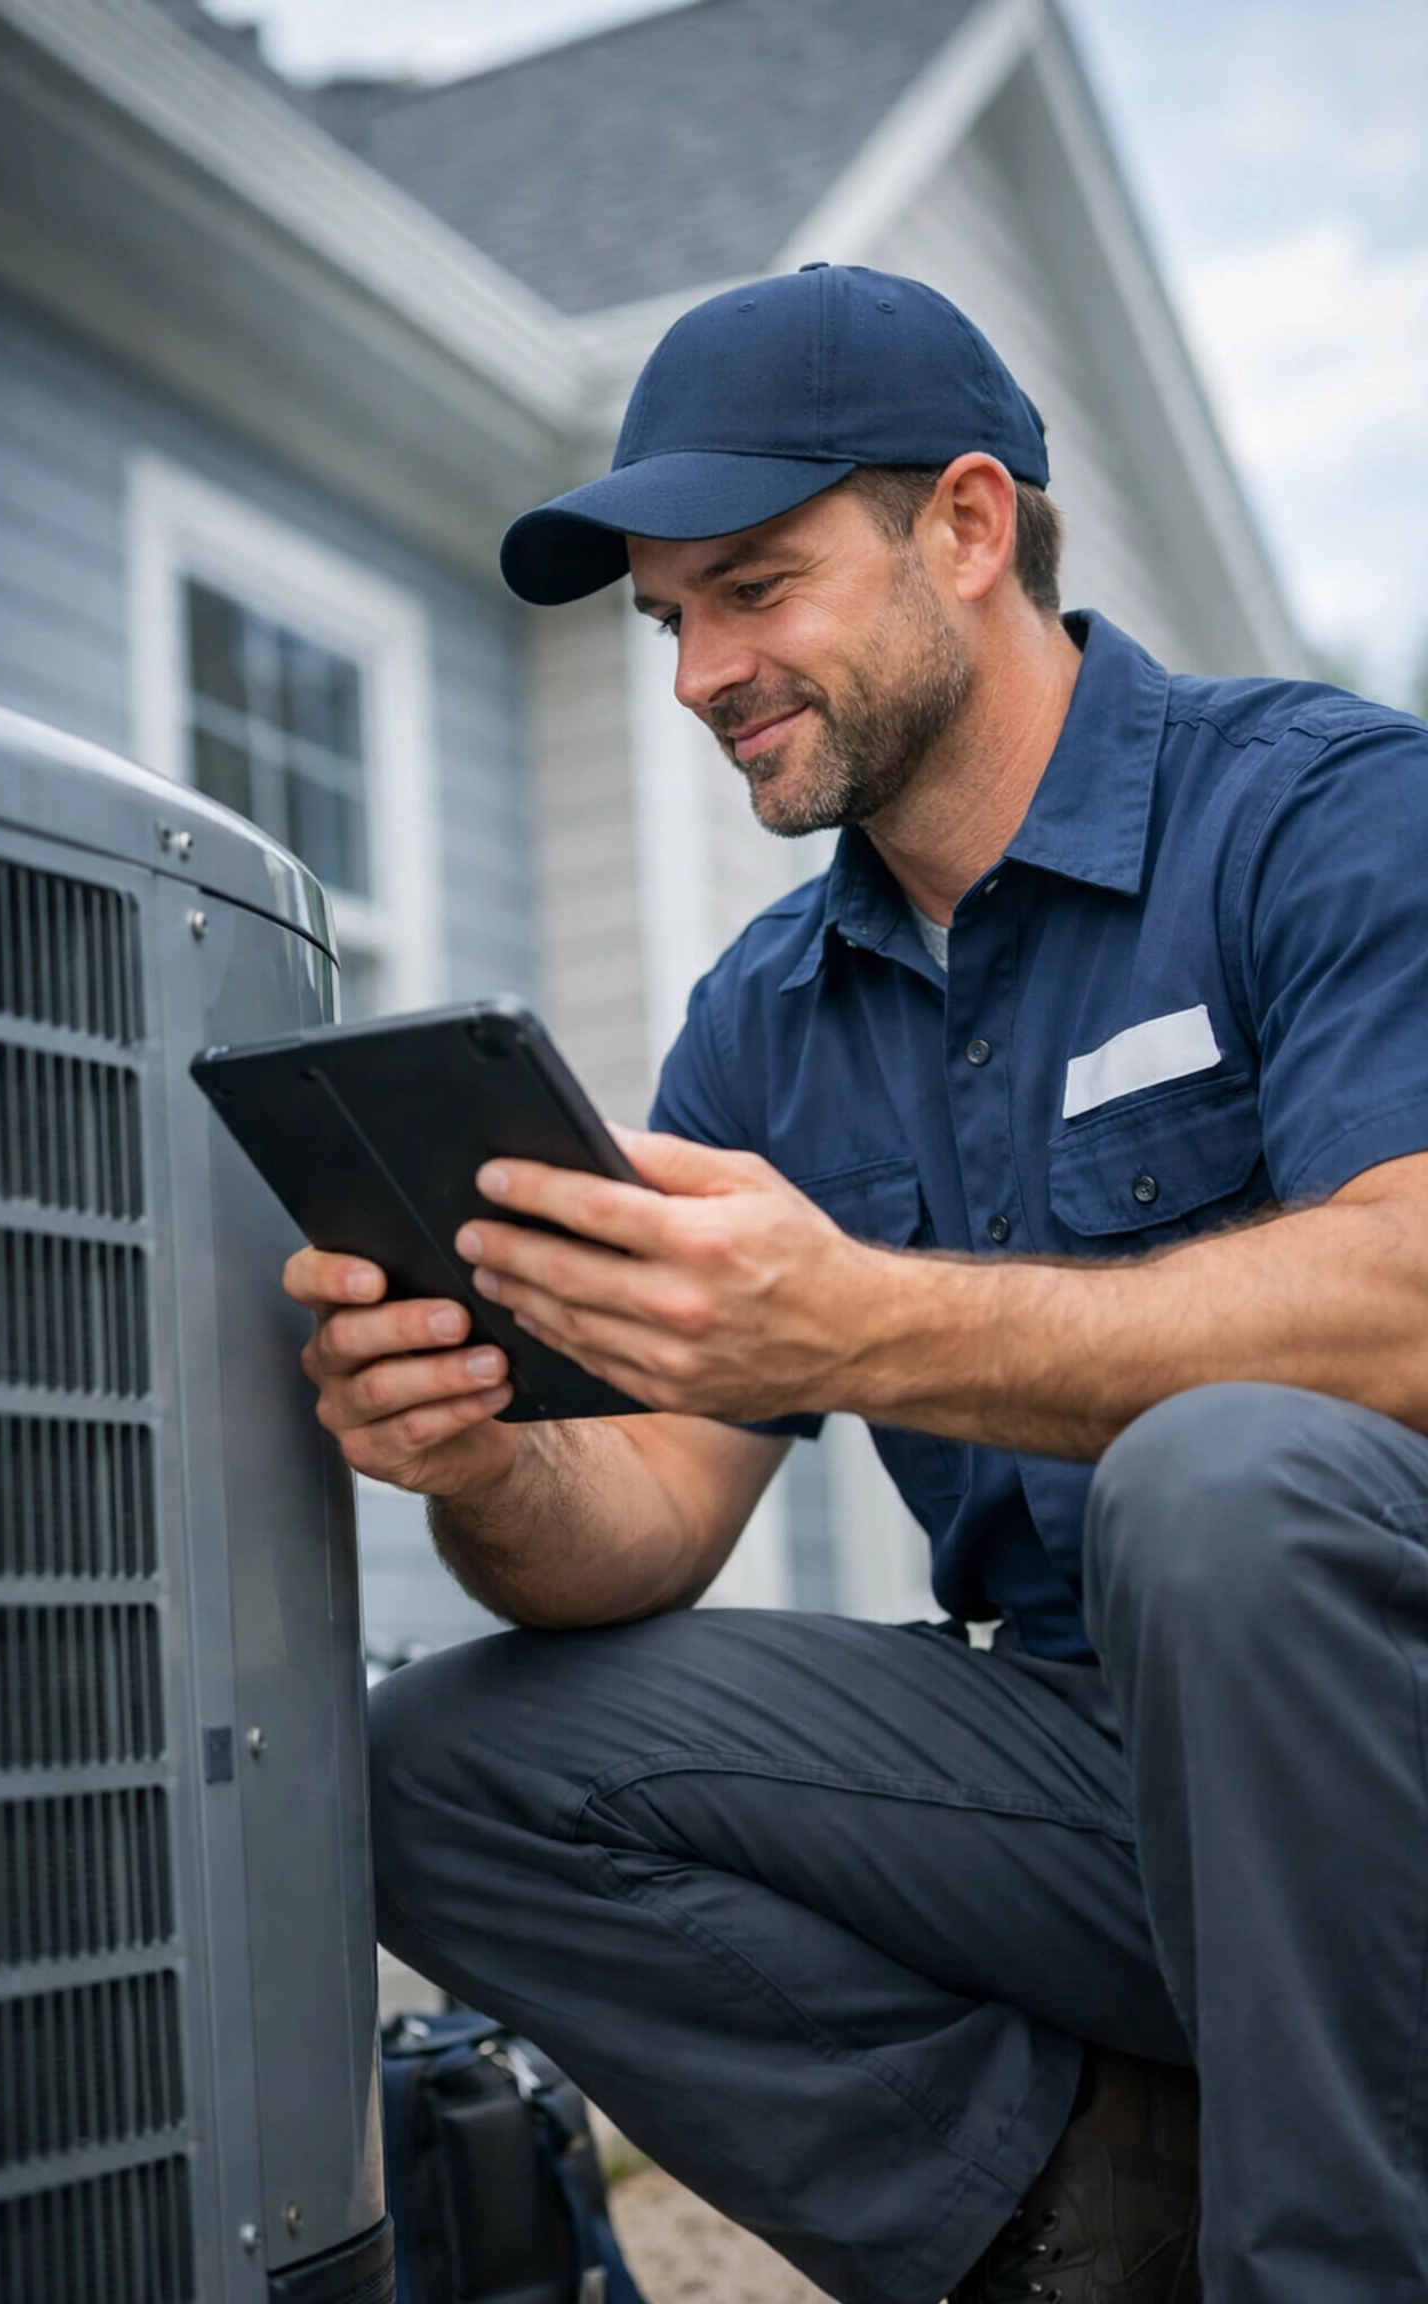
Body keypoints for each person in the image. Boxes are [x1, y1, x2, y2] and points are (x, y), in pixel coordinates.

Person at [284, 266, 1428, 2304]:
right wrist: (480, 1451)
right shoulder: (768, 1022)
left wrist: (865, 1318)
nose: (699, 670)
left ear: (969, 529)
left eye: (754, 585)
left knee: (1221, 1477)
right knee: (435, 1765)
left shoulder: (1319, 812)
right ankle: (1091, 2226)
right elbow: (627, 1533)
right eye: (668, 618)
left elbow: (1409, 1303)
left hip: (1380, 1758)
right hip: (1101, 1791)